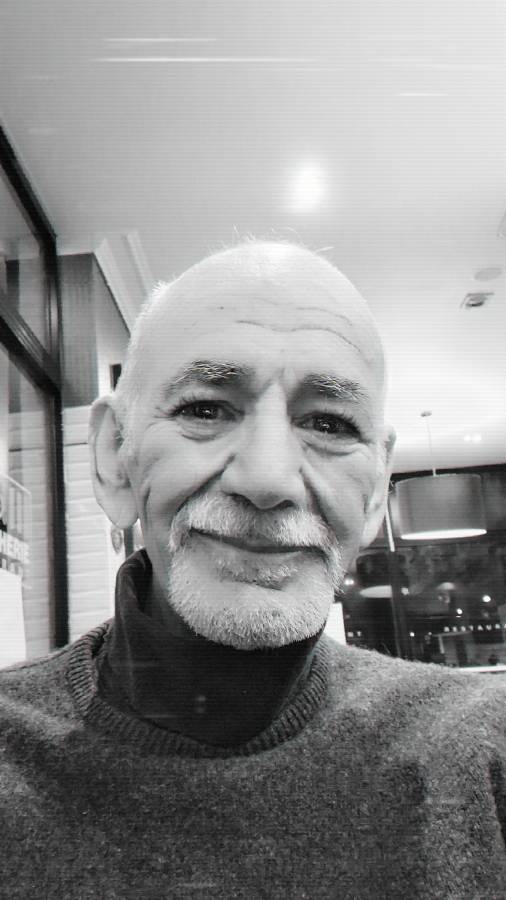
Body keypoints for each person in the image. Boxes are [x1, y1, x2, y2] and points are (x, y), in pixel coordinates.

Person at [0, 240, 505, 898]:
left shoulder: (479, 747)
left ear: (376, 492)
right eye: (205, 409)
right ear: (113, 459)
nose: (267, 479)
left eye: (329, 423)